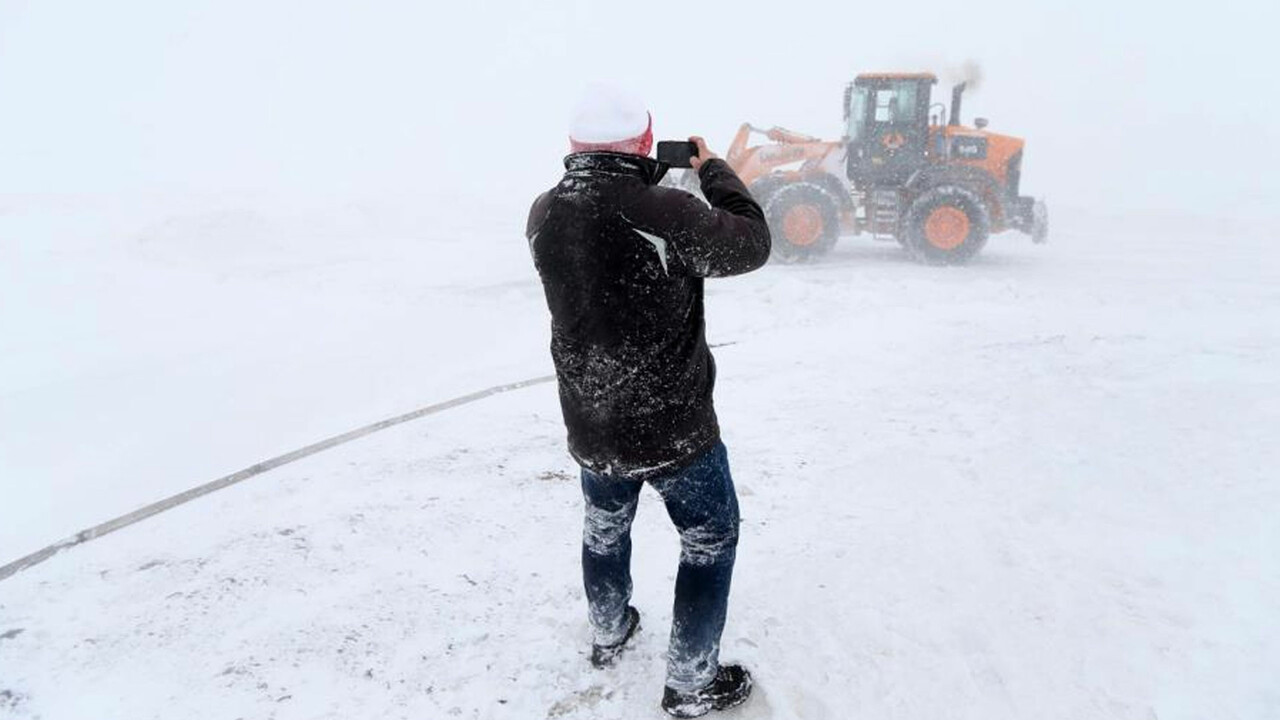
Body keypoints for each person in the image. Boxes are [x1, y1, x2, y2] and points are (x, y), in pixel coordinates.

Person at [525, 85, 771, 718]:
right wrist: (712, 169)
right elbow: (751, 242)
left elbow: (605, 234)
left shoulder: (543, 213)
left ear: (575, 146)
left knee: (604, 530)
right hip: (674, 431)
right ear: (643, 142)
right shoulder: (666, 212)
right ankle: (691, 683)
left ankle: (609, 632)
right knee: (709, 540)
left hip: (590, 423)